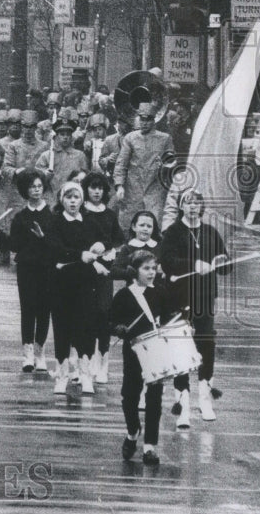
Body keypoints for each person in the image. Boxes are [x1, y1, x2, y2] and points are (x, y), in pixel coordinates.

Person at [160, 189, 231, 425]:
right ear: (181, 206)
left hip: (205, 299)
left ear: (201, 207)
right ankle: (183, 404)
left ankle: (204, 397)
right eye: (188, 203)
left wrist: (222, 263)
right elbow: (167, 262)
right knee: (182, 349)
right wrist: (194, 263)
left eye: (197, 203)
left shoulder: (210, 232)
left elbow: (225, 264)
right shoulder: (172, 232)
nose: (193, 207)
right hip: (179, 298)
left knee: (207, 345)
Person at [111, 250, 179, 466]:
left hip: (156, 350)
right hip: (133, 351)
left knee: (154, 398)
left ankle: (150, 446)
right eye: (146, 268)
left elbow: (170, 318)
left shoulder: (161, 292)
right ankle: (132, 432)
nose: (151, 273)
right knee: (129, 395)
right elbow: (110, 321)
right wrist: (118, 328)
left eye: (153, 268)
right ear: (134, 270)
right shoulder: (123, 295)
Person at [44, 181, 103, 395]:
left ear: (82, 200)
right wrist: (79, 255)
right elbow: (54, 248)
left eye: (76, 197)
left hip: (86, 284)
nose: (72, 201)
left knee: (85, 328)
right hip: (61, 284)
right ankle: (62, 374)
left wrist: (100, 247)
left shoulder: (89, 222)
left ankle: (85, 373)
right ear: (62, 200)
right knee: (62, 328)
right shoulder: (55, 223)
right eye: (68, 197)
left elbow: (102, 240)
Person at [7, 169, 56, 373]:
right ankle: (27, 353)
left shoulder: (52, 215)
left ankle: (40, 352)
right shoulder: (20, 217)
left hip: (46, 268)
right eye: (32, 187)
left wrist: (43, 236)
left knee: (44, 310)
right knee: (28, 309)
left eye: (39, 186)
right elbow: (14, 245)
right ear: (25, 190)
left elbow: (56, 244)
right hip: (27, 268)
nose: (36, 190)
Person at [80, 172, 124, 385]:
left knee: (104, 312)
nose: (96, 191)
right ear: (86, 189)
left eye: (100, 188)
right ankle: (83, 362)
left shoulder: (109, 214)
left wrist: (106, 248)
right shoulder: (81, 212)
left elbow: (117, 238)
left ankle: (103, 361)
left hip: (105, 269)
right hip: (84, 269)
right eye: (92, 187)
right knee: (84, 313)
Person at [113, 101, 174, 232]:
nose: (144, 123)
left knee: (154, 225)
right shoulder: (130, 138)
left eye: (148, 119)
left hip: (155, 189)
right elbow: (121, 163)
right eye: (142, 119)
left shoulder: (165, 139)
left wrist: (164, 166)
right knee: (129, 225)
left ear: (154, 120)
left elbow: (171, 164)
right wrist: (119, 186)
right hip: (133, 188)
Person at [34, 114, 87, 206]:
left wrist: (81, 176)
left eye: (68, 134)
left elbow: (85, 174)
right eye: (62, 134)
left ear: (72, 137)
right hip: (52, 198)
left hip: (73, 198)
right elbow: (37, 175)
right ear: (57, 136)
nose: (65, 137)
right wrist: (44, 174)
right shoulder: (47, 155)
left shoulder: (80, 155)